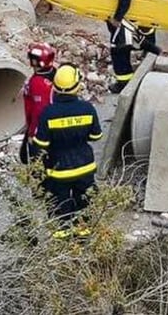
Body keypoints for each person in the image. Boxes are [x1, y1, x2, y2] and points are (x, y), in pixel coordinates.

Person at [33, 63, 103, 239]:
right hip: (85, 168)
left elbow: (41, 143)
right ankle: (83, 237)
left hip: (58, 171)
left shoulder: (48, 113)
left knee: (59, 207)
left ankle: (62, 241)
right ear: (78, 86)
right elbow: (96, 136)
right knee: (84, 203)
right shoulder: (87, 109)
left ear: (55, 87)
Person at [94, 0, 159, 93]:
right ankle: (152, 58)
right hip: (146, 11)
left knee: (119, 49)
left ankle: (124, 82)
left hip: (129, 15)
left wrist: (116, 18)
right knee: (145, 39)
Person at [20, 42, 56, 164]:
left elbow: (39, 110)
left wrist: (32, 133)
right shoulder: (53, 74)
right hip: (52, 124)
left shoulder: (38, 84)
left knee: (29, 157)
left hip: (41, 128)